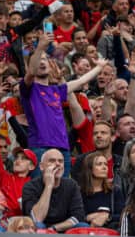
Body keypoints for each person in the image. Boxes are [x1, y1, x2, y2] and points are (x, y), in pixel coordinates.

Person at [20, 31, 109, 173]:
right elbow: (30, 73)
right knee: (42, 189)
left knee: (64, 191)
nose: (42, 62)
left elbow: (80, 81)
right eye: (39, 59)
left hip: (63, 149)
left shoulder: (56, 90)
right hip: (40, 148)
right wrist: (41, 47)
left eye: (45, 59)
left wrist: (99, 67)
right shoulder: (28, 88)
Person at [21, 149, 86, 232]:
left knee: (83, 226)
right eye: (52, 161)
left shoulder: (71, 185)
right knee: (38, 226)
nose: (57, 164)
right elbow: (36, 218)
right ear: (41, 166)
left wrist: (54, 228)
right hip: (41, 230)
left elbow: (78, 216)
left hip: (64, 228)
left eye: (61, 161)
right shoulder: (30, 187)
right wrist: (49, 186)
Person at [78, 152, 125, 229]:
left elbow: (123, 216)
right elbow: (76, 217)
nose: (104, 167)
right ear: (89, 168)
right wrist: (88, 217)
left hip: (111, 233)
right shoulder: (80, 192)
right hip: (86, 234)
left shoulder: (115, 191)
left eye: (105, 164)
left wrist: (107, 217)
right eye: (99, 164)